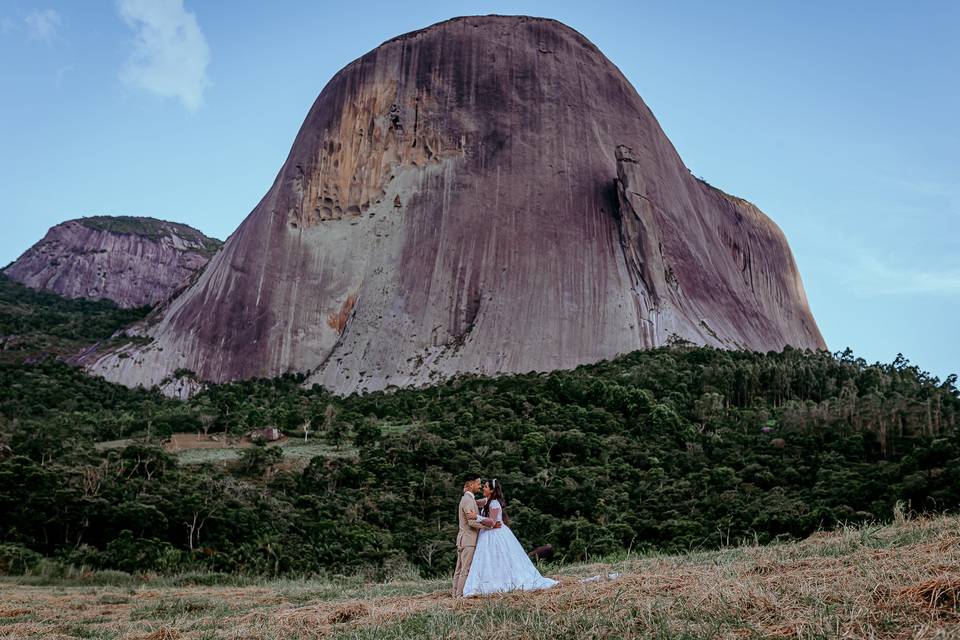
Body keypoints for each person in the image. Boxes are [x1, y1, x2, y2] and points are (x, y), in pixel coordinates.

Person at [462, 478, 558, 597]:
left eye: (486, 487)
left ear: (491, 490)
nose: (483, 488)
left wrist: (476, 516)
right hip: (487, 534)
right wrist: (467, 491)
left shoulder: (494, 503)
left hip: (495, 534)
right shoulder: (487, 501)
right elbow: (474, 502)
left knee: (500, 559)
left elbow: (492, 522)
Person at [452, 475, 499, 597]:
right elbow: (471, 522)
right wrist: (489, 527)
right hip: (468, 540)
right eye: (478, 484)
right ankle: (459, 596)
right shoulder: (468, 500)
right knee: (464, 570)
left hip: (463, 539)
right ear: (471, 485)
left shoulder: (468, 499)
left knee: (459, 570)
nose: (480, 486)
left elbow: (486, 501)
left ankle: (455, 594)